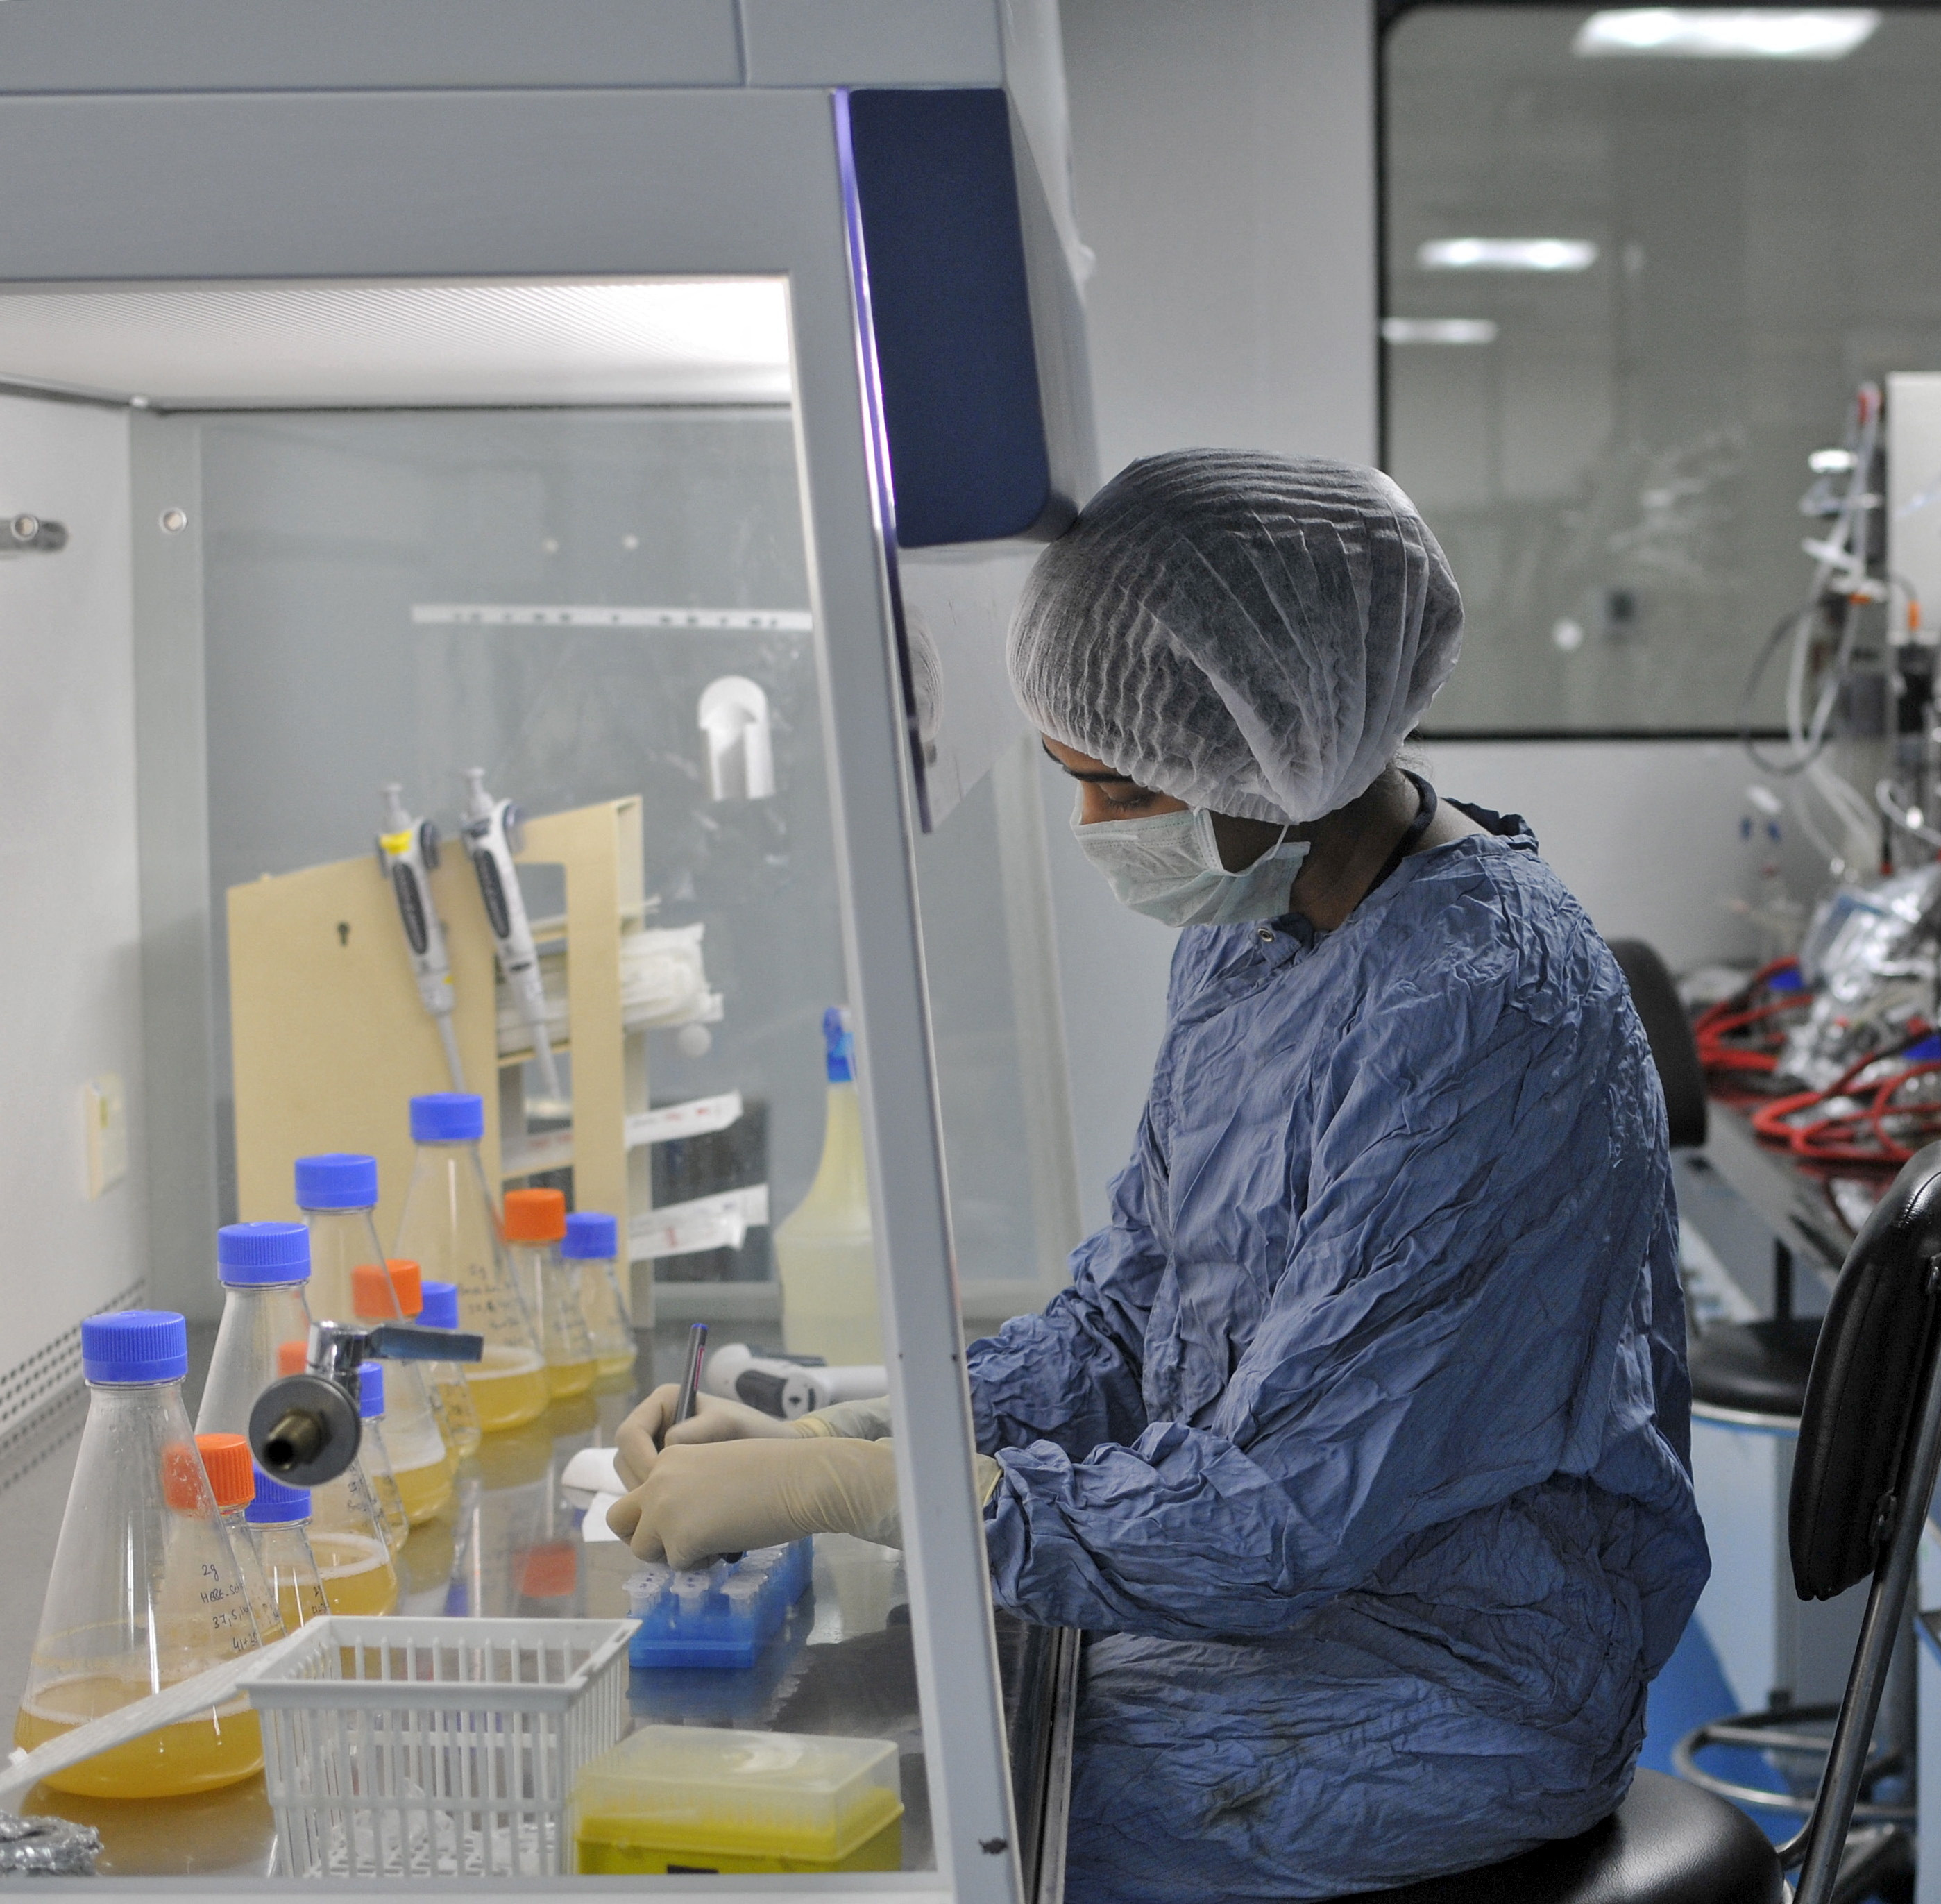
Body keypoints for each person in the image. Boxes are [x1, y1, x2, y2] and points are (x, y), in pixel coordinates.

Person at [608, 448, 1706, 1902]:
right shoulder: (1251, 934)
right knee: (909, 1729)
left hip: (1461, 1681)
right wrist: (853, 1422)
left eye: (1120, 783)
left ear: (1281, 749)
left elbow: (1279, 1517)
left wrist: (863, 1488)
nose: (1093, 831)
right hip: (1299, 1609)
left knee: (935, 1819)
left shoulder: (1475, 1013)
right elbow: (1127, 1320)